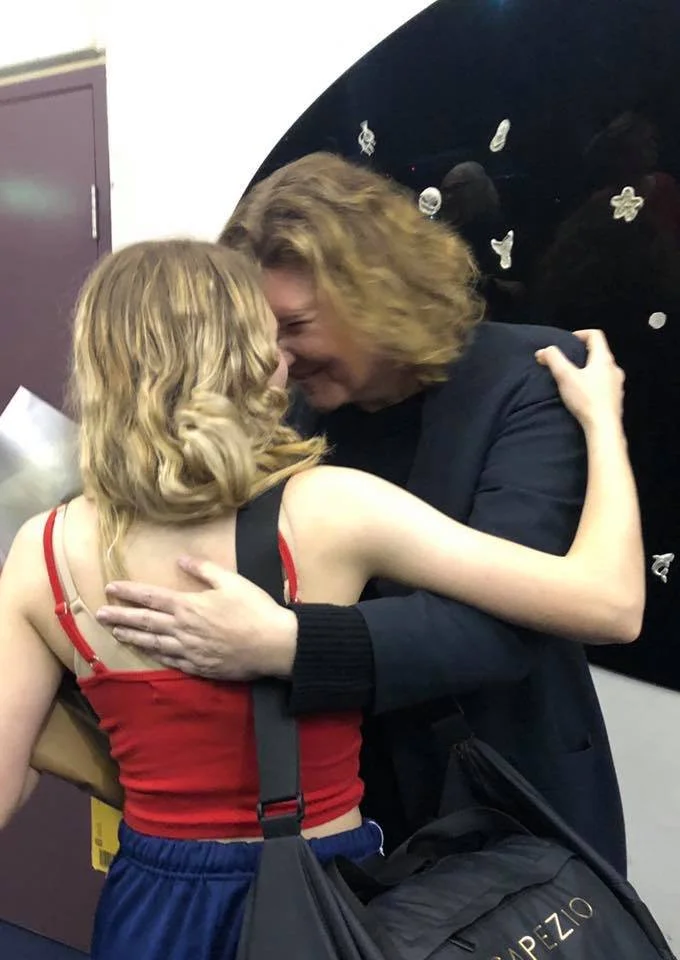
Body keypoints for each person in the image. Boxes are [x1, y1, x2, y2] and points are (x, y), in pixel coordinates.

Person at [0, 238, 639, 958]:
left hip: (152, 907)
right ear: (247, 358)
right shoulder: (330, 511)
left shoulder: (41, 552)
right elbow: (611, 604)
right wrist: (602, 423)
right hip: (318, 899)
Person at [97, 154, 634, 877]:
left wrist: (284, 644)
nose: (275, 360)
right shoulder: (283, 405)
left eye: (294, 326)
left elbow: (510, 629)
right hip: (344, 808)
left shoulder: (530, 378)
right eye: (258, 333)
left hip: (511, 794)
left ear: (377, 292)